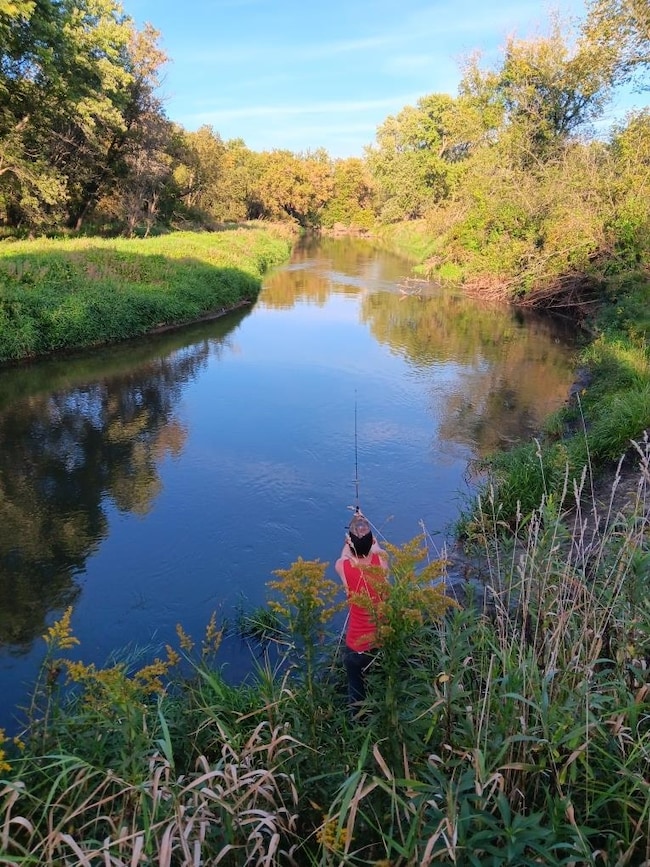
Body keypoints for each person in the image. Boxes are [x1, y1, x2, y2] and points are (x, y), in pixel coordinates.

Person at [335, 511, 389, 711]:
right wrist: (363, 525)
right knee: (382, 681)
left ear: (349, 543)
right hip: (381, 641)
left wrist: (351, 535)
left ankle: (358, 718)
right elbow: (376, 548)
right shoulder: (381, 561)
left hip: (356, 645)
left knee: (356, 687)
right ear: (372, 540)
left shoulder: (343, 567)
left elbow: (345, 554)